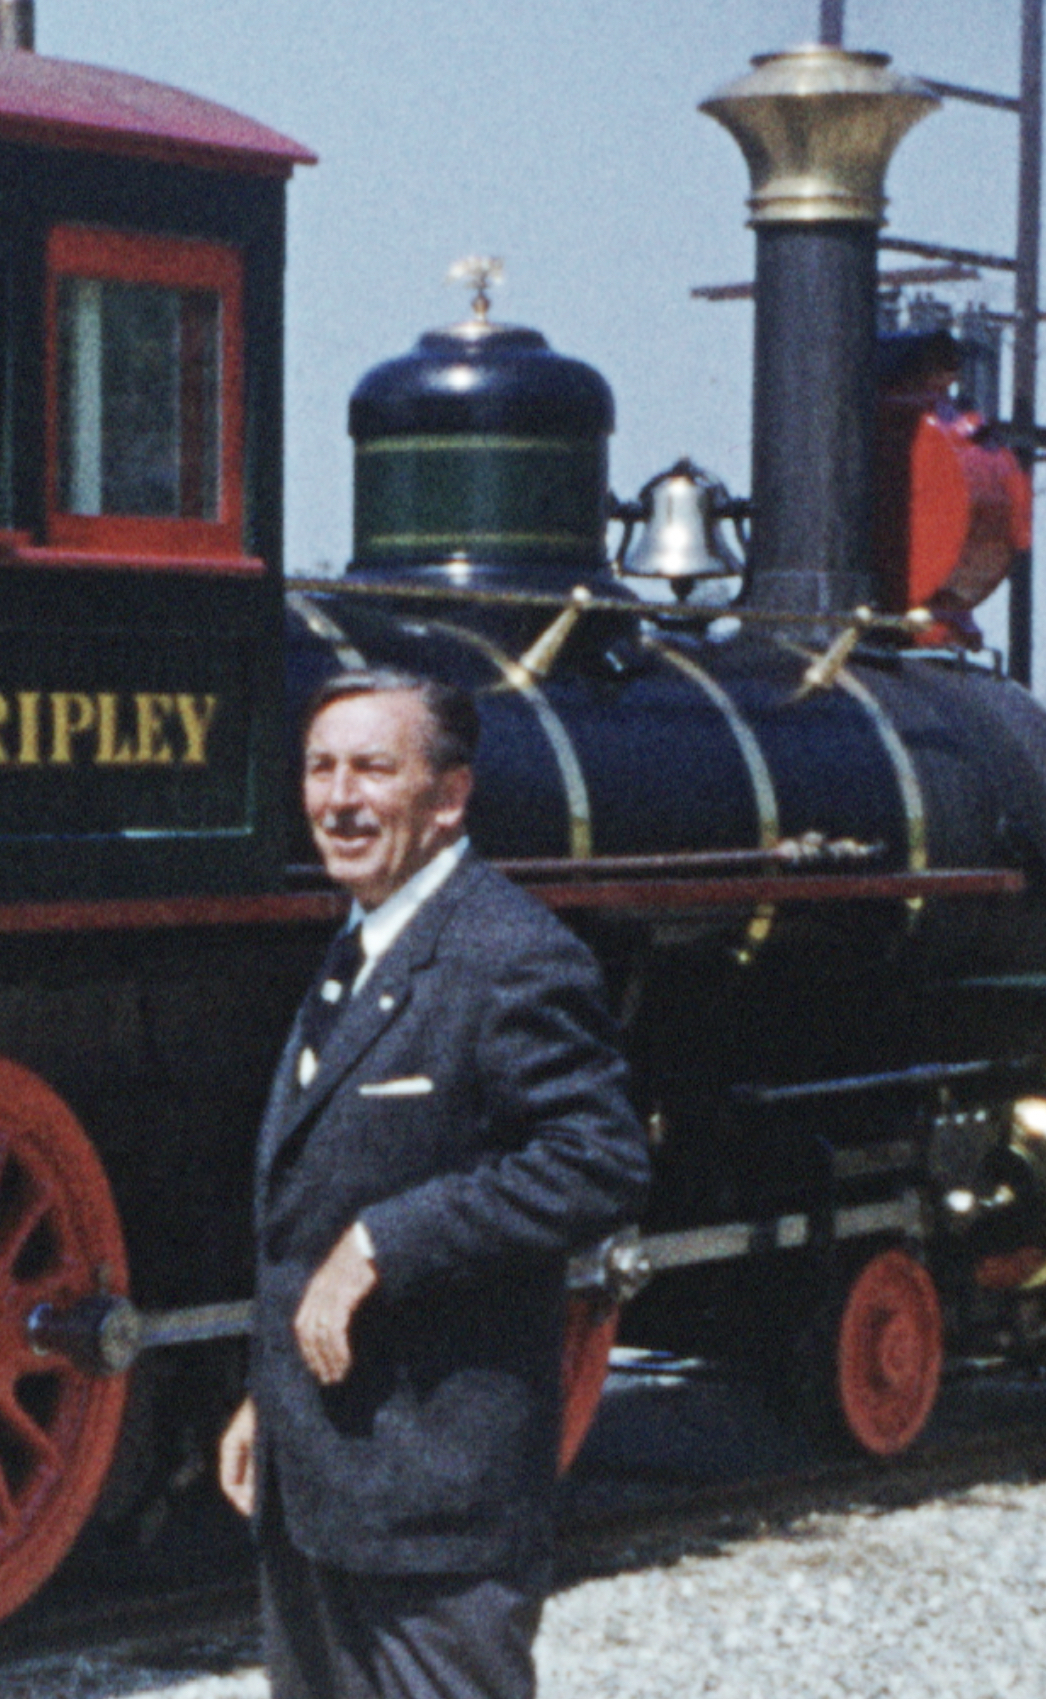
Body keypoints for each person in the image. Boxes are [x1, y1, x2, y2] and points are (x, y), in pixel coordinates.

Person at [219, 666, 650, 1699]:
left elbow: (598, 1159)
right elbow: (306, 1203)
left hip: (432, 1493)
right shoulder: (358, 945)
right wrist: (267, 1396)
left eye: (372, 767)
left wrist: (384, 1240)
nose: (337, 797)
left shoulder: (508, 951)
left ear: (448, 794)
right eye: (320, 767)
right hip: (321, 1473)